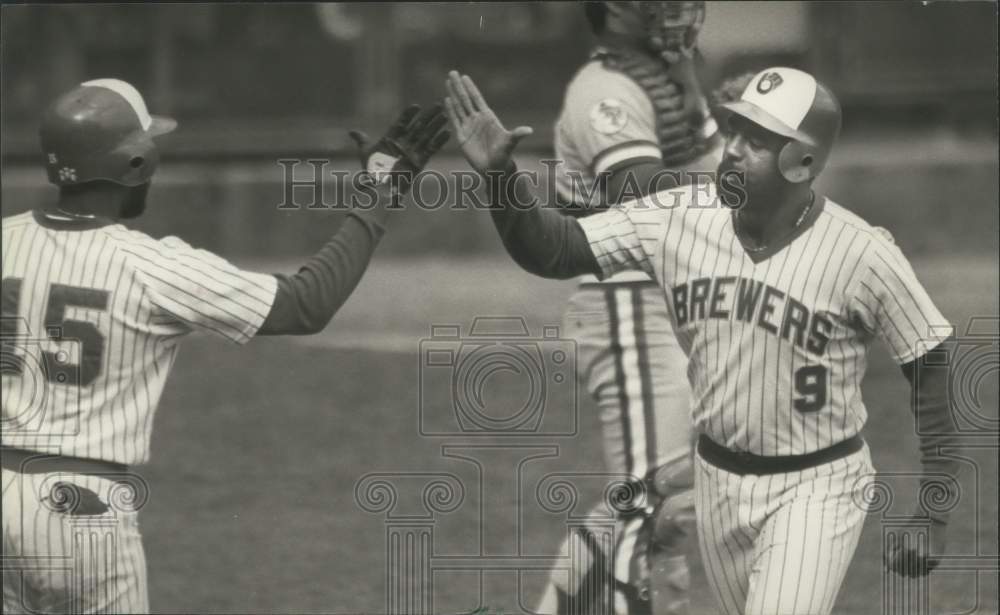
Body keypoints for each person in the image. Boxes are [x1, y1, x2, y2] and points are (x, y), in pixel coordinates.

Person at [443, 68, 960, 615]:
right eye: (734, 131)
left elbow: (929, 357)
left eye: (757, 141)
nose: (733, 150)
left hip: (819, 486)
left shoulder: (861, 253)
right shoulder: (677, 216)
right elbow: (555, 251)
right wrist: (501, 177)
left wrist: (934, 511)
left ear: (803, 161)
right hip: (716, 481)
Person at [0, 78, 448, 614]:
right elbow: (305, 304)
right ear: (136, 163)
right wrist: (379, 195)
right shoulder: (151, 266)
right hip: (80, 510)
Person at [539, 2, 720, 613]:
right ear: (614, 8)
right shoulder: (605, 92)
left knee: (651, 498)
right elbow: (641, 195)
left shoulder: (669, 87)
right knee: (653, 499)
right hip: (626, 305)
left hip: (672, 309)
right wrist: (749, 180)